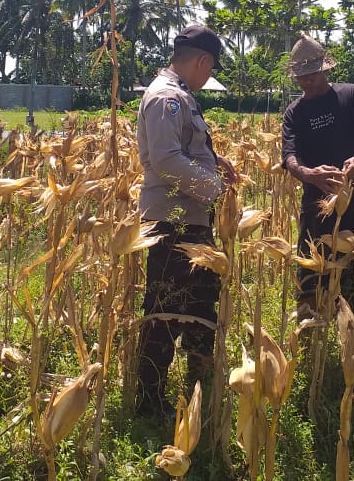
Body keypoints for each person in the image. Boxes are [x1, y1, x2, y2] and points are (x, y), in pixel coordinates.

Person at [280, 35, 354, 378]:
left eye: (314, 73)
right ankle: (308, 354)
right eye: (302, 76)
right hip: (319, 207)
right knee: (312, 275)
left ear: (325, 69)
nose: (308, 80)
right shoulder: (295, 114)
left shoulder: (351, 95)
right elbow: (289, 158)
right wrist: (309, 174)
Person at [135, 26, 238, 420]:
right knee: (164, 310)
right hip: (172, 223)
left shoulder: (182, 96)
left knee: (200, 304)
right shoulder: (167, 98)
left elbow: (186, 151)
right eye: (209, 72)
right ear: (203, 62)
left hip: (191, 220)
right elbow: (165, 160)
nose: (207, 79)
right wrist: (216, 191)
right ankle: (150, 402)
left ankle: (199, 384)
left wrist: (216, 161)